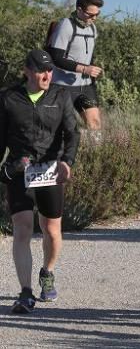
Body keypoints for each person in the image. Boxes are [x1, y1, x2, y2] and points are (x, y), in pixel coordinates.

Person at [0, 50, 80, 314]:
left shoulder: (60, 95)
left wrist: (67, 161)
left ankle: (47, 272)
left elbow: (72, 133)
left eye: (50, 71)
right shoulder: (9, 98)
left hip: (50, 170)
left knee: (51, 229)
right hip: (20, 169)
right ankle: (25, 292)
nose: (47, 75)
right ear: (26, 71)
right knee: (22, 228)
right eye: (41, 70)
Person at [45, 0, 104, 134]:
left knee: (95, 125)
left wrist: (93, 75)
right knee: (58, 129)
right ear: (79, 10)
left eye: (97, 14)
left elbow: (88, 57)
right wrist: (84, 69)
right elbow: (56, 58)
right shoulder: (65, 26)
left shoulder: (92, 28)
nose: (94, 18)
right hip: (62, 87)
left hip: (85, 86)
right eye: (90, 15)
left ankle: (93, 155)